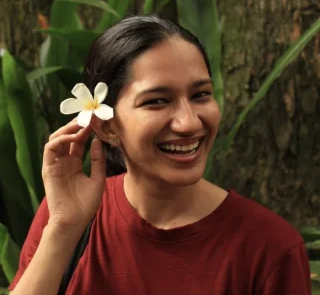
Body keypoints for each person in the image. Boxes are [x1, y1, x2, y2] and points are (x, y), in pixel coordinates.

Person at [8, 15, 311, 295]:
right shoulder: (65, 215)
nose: (189, 122)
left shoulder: (270, 249)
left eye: (201, 94)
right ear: (106, 125)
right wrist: (63, 228)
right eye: (156, 101)